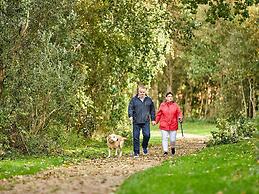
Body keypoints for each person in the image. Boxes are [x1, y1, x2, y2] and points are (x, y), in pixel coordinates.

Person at [128, 85, 156, 157]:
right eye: (140, 92)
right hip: (136, 121)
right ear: (138, 91)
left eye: (143, 92)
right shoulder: (133, 100)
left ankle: (144, 147)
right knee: (136, 137)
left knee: (147, 135)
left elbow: (152, 110)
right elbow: (130, 108)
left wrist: (153, 119)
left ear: (145, 92)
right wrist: (130, 116)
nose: (142, 93)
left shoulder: (149, 100)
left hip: (146, 121)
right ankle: (136, 152)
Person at [155, 92, 183, 156]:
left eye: (171, 96)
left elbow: (179, 113)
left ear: (172, 98)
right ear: (166, 98)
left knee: (172, 140)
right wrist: (156, 121)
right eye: (168, 96)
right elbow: (159, 114)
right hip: (164, 124)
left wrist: (180, 117)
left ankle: (173, 147)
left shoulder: (175, 105)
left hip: (173, 125)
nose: (170, 97)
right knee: (164, 138)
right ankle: (165, 151)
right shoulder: (162, 105)